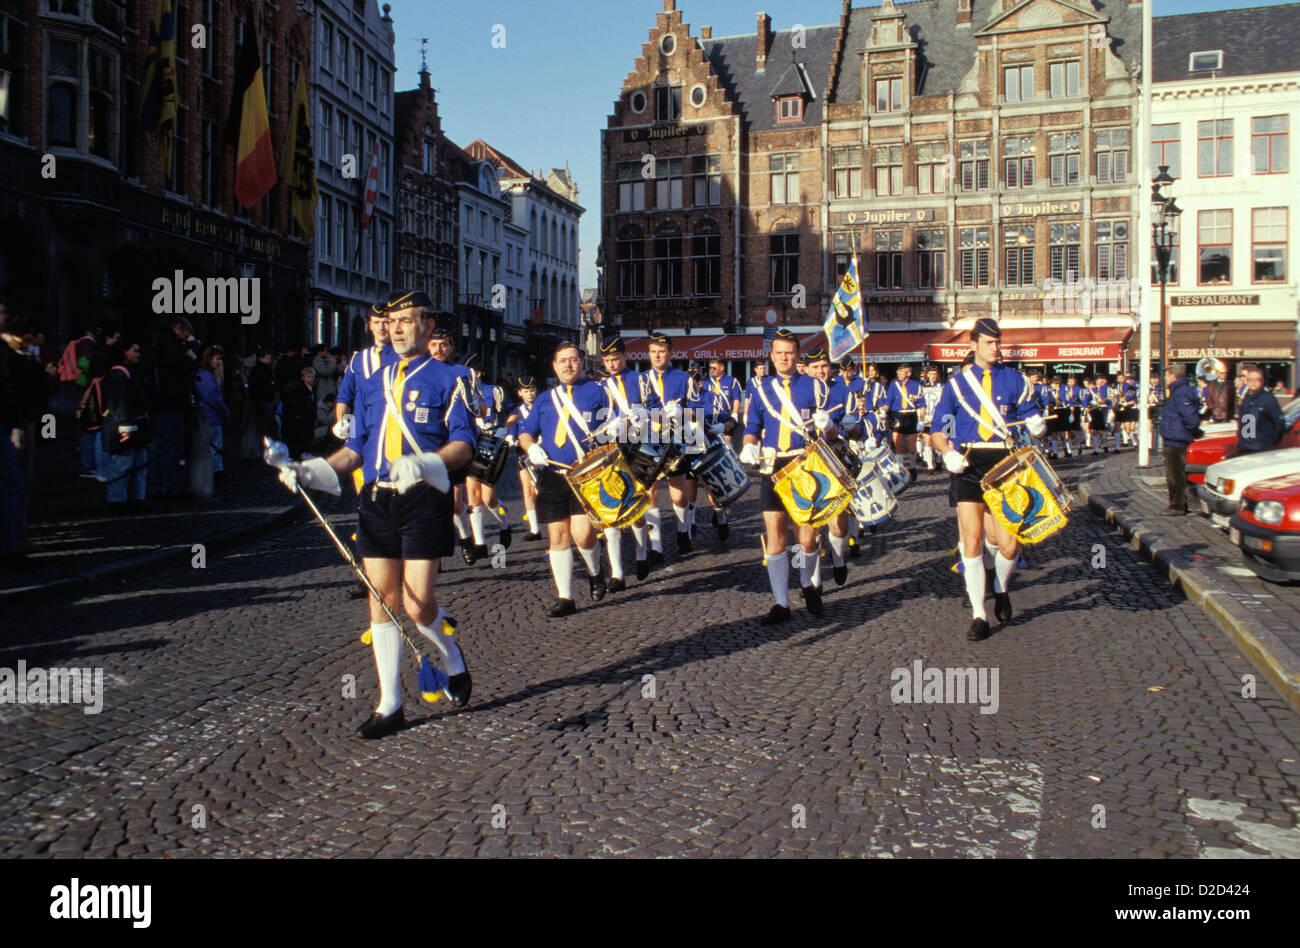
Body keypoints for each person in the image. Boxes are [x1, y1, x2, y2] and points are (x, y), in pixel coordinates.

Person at [275, 294, 476, 739]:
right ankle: (390, 704)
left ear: (428, 326)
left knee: (417, 603)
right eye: (392, 321)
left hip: (424, 497)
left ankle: (451, 654)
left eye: (407, 321)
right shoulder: (371, 381)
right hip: (378, 498)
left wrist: (425, 463)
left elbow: (464, 444)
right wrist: (311, 470)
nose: (398, 328)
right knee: (381, 600)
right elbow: (354, 449)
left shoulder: (454, 377)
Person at [930, 318, 1047, 642]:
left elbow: (1033, 416)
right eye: (989, 343)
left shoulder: (1015, 380)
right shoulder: (955, 385)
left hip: (1005, 461)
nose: (996, 348)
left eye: (998, 342)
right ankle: (979, 614)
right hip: (968, 462)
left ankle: (1000, 587)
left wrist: (1038, 425)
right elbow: (938, 430)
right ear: (974, 344)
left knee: (1009, 544)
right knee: (972, 540)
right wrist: (946, 453)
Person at [739, 328, 836, 624]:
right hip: (773, 466)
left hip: (805, 465)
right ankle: (781, 603)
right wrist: (748, 447)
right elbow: (752, 428)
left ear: (797, 356)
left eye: (789, 353)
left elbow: (831, 434)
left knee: (806, 536)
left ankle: (808, 585)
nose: (784, 358)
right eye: (779, 353)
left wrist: (828, 424)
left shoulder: (815, 387)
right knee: (775, 536)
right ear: (771, 356)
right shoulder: (758, 388)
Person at [518, 341, 611, 617]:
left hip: (585, 475)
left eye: (573, 360)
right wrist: (531, 447)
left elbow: (610, 428)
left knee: (583, 535)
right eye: (562, 361)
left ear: (581, 363)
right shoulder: (545, 399)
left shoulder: (597, 393)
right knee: (557, 536)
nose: (568, 365)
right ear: (554, 366)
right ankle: (565, 597)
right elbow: (526, 432)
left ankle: (596, 572)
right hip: (553, 475)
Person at [598, 337, 656, 585]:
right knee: (611, 509)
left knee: (635, 507)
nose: (611, 364)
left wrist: (646, 414)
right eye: (607, 361)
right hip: (611, 450)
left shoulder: (641, 380)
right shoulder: (599, 386)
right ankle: (617, 574)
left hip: (637, 448)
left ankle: (642, 554)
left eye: (615, 359)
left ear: (625, 357)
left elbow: (658, 408)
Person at [642, 332, 702, 558]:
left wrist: (683, 413)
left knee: (678, 495)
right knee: (651, 494)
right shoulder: (641, 379)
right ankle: (656, 545)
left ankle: (682, 531)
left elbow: (698, 410)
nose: (657, 356)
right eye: (653, 352)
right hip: (649, 443)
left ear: (670, 353)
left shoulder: (684, 378)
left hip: (676, 442)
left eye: (662, 351)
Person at [427, 323, 484, 564]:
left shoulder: (462, 374)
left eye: (443, 345)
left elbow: (480, 406)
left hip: (455, 443)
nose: (438, 349)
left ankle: (465, 536)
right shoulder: (417, 373)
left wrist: (473, 408)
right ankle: (433, 554)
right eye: (433, 344)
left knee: (455, 500)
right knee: (427, 502)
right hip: (428, 443)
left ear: (451, 348)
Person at [464, 352, 516, 556]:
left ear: (479, 372)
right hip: (470, 445)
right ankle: (480, 543)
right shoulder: (458, 392)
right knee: (472, 495)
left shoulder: (494, 392)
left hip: (490, 444)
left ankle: (505, 524)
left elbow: (513, 413)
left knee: (489, 497)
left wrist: (505, 430)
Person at [101, 338, 153, 510]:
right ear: (124, 352)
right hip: (124, 426)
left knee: (138, 464)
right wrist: (125, 426)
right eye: (134, 350)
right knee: (122, 464)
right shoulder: (118, 374)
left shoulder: (129, 372)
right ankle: (118, 500)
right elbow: (119, 403)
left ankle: (136, 498)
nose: (138, 354)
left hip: (136, 424)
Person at [699, 355, 742, 542]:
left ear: (723, 367)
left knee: (722, 468)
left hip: (721, 424)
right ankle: (715, 512)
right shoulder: (705, 385)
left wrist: (733, 417)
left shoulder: (731, 382)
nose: (712, 368)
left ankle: (722, 508)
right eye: (710, 366)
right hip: (700, 436)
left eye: (715, 366)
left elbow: (736, 400)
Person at [1157, 363, 1203, 516]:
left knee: (1175, 474)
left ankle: (1177, 505)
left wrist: (1193, 430)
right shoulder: (1179, 391)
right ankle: (1176, 503)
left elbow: (1189, 416)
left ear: (1173, 376)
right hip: (1174, 436)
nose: (1164, 378)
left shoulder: (1181, 392)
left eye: (1166, 375)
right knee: (1174, 474)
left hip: (1177, 438)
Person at [507, 376, 543, 542]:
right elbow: (512, 427)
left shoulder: (543, 407)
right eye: (526, 391)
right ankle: (535, 529)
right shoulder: (517, 412)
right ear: (520, 393)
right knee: (527, 490)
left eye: (532, 390)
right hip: (524, 455)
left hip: (544, 453)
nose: (530, 394)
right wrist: (510, 437)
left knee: (542, 490)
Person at [1236, 363, 1286, 456]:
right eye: (1250, 379)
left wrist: (1272, 441)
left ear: (1262, 381)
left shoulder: (1268, 398)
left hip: (1260, 448)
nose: (1253, 382)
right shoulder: (1246, 397)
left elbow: (1279, 422)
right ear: (1246, 381)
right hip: (1244, 447)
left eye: (1257, 379)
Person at [195, 348, 230, 477]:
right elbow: (213, 397)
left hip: (211, 415)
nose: (219, 362)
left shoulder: (205, 375)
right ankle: (215, 470)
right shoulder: (206, 375)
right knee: (215, 444)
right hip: (211, 415)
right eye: (217, 359)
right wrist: (224, 410)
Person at [886, 363, 922, 477]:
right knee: (898, 444)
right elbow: (888, 402)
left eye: (901, 372)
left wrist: (921, 420)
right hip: (898, 415)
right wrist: (883, 411)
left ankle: (912, 467)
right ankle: (900, 470)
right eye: (898, 371)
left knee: (912, 447)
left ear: (909, 373)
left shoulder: (916, 386)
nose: (899, 374)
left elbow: (922, 405)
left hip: (911, 416)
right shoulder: (893, 385)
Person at [282, 364, 318, 459]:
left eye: (312, 376)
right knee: (300, 435)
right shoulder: (298, 390)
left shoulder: (313, 388)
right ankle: (298, 453)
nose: (311, 378)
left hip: (310, 415)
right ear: (303, 378)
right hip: (301, 416)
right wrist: (297, 415)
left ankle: (305, 452)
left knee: (308, 434)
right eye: (308, 376)